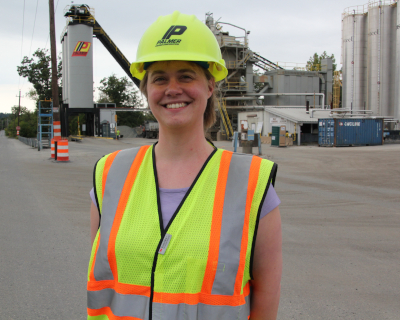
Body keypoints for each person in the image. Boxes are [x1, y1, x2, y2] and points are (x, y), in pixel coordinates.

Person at [87, 11, 282, 320]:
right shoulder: (110, 175)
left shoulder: (253, 185)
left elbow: (266, 302)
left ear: (209, 87)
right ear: (146, 91)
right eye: (159, 78)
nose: (172, 88)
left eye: (186, 75)